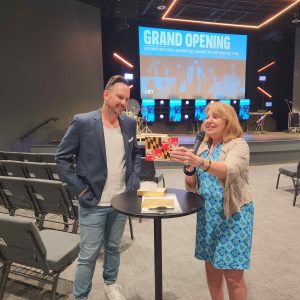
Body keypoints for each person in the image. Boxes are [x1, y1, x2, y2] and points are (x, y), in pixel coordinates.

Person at [56, 75, 141, 300]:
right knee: (89, 254)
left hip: (120, 201)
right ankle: (81, 296)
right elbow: (62, 158)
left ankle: (110, 284)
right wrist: (80, 190)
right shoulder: (83, 122)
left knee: (113, 247)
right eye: (119, 97)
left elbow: (135, 154)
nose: (124, 103)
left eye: (127, 99)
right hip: (92, 201)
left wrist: (133, 183)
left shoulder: (130, 124)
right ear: (106, 95)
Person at [171, 101, 254, 300]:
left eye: (215, 117)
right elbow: (193, 183)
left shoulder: (238, 145)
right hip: (207, 216)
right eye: (207, 116)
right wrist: (189, 168)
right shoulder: (203, 146)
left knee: (233, 275)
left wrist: (197, 161)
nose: (208, 120)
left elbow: (229, 170)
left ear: (228, 121)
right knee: (211, 265)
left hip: (233, 216)